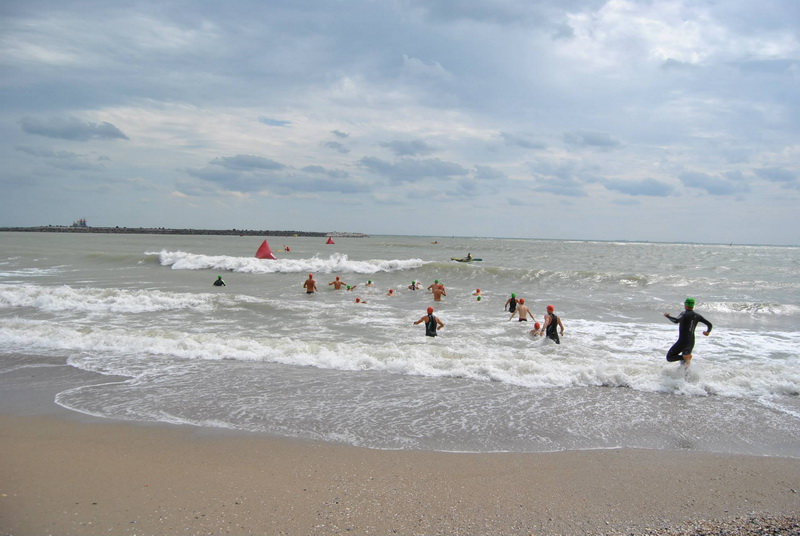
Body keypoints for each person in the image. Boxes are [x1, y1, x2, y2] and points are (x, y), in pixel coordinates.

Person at [663, 297, 712, 367]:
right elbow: (709, 324)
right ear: (693, 305)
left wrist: (668, 316)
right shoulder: (697, 316)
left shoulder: (684, 314)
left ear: (685, 304)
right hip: (691, 342)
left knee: (670, 357)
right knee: (685, 362)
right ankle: (686, 377)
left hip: (683, 341)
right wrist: (708, 332)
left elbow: (676, 321)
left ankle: (684, 358)